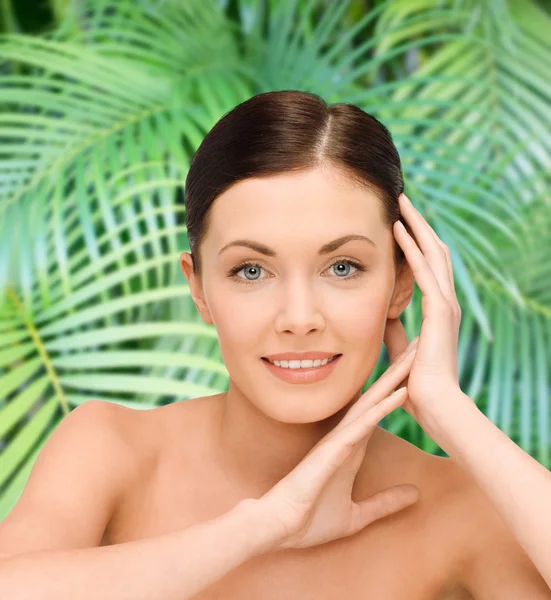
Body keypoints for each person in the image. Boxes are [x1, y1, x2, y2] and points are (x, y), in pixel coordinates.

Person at [1, 90, 550, 599]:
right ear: (199, 288)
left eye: (342, 267)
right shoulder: (111, 450)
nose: (299, 318)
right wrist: (262, 525)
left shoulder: (461, 507)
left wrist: (452, 411)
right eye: (250, 271)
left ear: (403, 282)